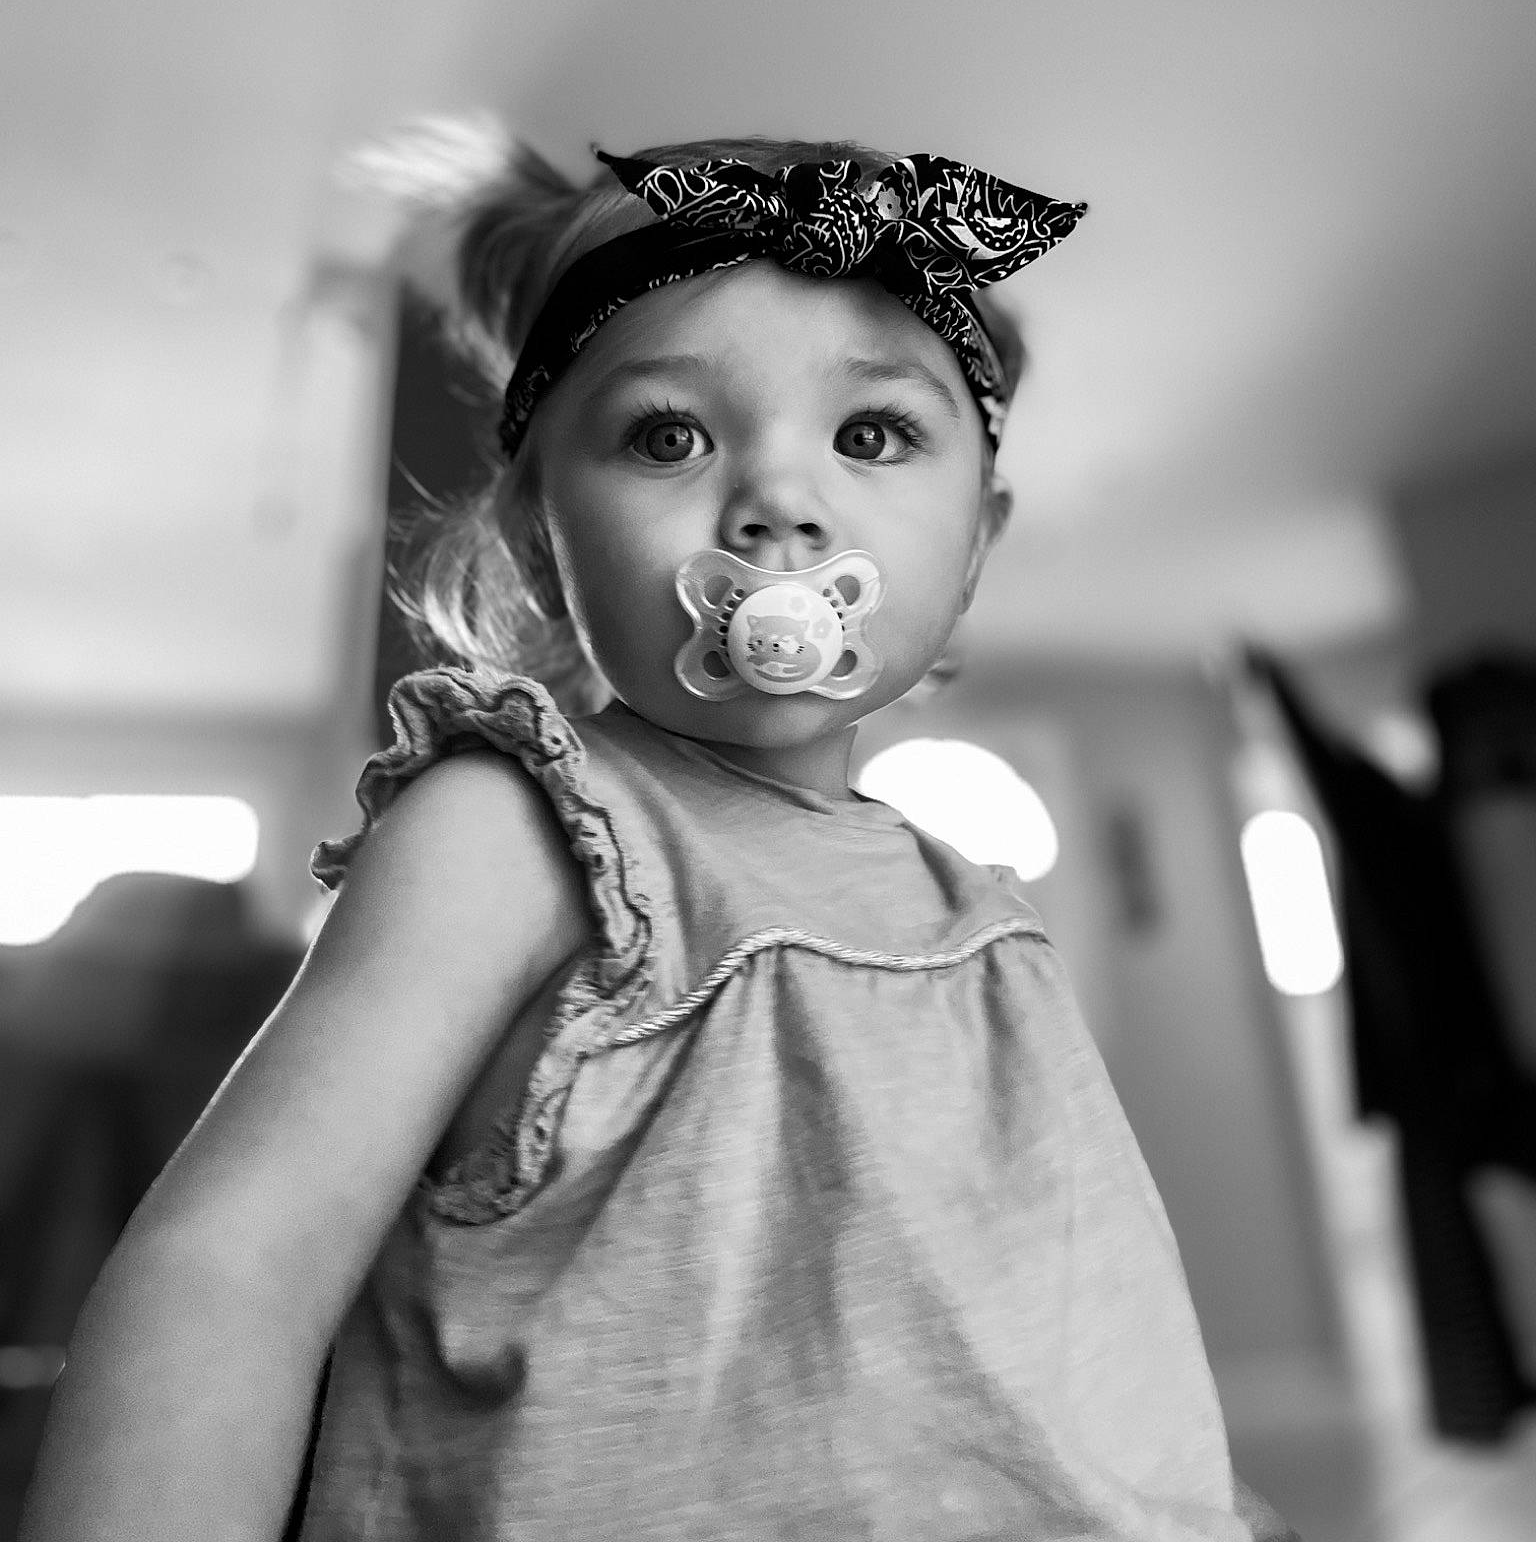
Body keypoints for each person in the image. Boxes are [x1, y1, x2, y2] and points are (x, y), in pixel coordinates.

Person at [21, 134, 1298, 1540]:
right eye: (667, 436)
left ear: (978, 536)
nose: (776, 501)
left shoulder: (978, 914)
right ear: (533, 537)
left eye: (872, 435)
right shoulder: (519, 828)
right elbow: (235, 1268)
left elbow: (1056, 1350)